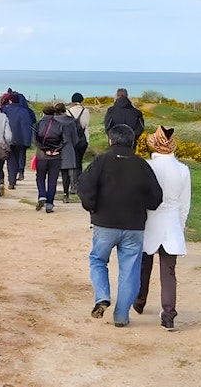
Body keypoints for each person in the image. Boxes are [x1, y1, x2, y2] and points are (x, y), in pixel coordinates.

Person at [77, 124, 163, 327]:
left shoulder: (102, 161)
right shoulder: (142, 165)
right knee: (130, 271)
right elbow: (156, 198)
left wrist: (92, 207)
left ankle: (102, 297)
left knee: (98, 260)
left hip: (105, 223)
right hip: (134, 226)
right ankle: (121, 317)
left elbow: (84, 186)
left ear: (111, 140)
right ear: (132, 142)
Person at [134, 126, 191, 330]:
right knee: (168, 272)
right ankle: (168, 313)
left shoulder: (147, 166)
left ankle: (139, 301)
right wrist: (180, 226)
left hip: (150, 221)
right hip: (172, 222)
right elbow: (185, 204)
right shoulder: (183, 170)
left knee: (143, 266)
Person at [33, 104, 72, 213]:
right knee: (52, 180)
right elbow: (65, 140)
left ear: (43, 113)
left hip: (42, 155)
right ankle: (49, 204)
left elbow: (35, 140)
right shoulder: (60, 125)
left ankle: (42, 195)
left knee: (40, 177)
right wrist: (56, 150)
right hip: (56, 156)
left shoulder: (38, 124)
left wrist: (45, 150)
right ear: (54, 113)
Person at [1, 93, 33, 191]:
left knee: (11, 159)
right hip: (21, 139)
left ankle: (11, 180)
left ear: (10, 100)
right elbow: (28, 126)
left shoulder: (5, 110)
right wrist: (28, 141)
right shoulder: (24, 111)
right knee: (20, 155)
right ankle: (20, 173)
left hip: (8, 138)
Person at [52, 102, 81, 204]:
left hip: (54, 148)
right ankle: (66, 194)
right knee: (66, 174)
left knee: (53, 172)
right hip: (68, 147)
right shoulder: (71, 121)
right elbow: (75, 138)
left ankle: (51, 192)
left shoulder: (53, 120)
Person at [66, 92, 90, 191]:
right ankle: (78, 184)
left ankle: (72, 185)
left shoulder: (68, 111)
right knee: (79, 161)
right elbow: (86, 124)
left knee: (72, 162)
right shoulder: (86, 111)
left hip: (71, 139)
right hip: (83, 139)